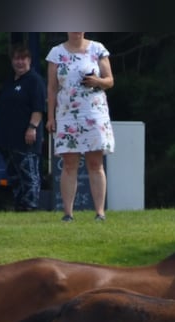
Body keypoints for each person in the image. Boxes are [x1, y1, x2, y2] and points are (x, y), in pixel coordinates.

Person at [46, 32, 115, 222]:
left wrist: (97, 81)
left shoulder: (98, 49)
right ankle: (68, 213)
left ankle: (100, 212)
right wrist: (50, 117)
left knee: (95, 163)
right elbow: (51, 88)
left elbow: (110, 81)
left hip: (93, 112)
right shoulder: (56, 53)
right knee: (69, 165)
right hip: (67, 114)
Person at [0, 44, 47, 212]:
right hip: (8, 137)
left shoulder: (34, 81)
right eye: (16, 58)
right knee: (14, 175)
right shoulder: (11, 80)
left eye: (23, 58)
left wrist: (32, 128)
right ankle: (19, 204)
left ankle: (30, 205)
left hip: (26, 136)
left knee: (29, 173)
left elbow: (38, 108)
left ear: (29, 60)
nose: (20, 62)